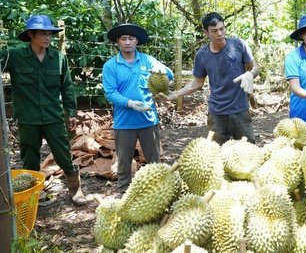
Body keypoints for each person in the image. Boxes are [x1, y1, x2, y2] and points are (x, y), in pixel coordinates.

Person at [1, 15, 87, 205]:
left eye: (50, 34)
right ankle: (34, 193)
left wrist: (71, 112)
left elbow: (67, 87)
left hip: (53, 116)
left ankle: (75, 189)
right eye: (42, 34)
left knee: (63, 153)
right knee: (30, 156)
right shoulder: (14, 56)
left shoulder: (58, 58)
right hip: (27, 118)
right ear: (31, 35)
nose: (48, 38)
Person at [161, 12, 258, 145]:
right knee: (216, 154)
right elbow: (197, 82)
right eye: (214, 31)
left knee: (248, 150)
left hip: (240, 110)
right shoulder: (202, 55)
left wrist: (250, 74)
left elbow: (255, 68)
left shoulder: (239, 45)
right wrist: (176, 94)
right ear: (206, 32)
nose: (220, 34)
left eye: (222, 29)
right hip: (217, 113)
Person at [102, 23, 174, 191]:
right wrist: (130, 103)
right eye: (123, 38)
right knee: (124, 161)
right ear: (118, 42)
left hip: (148, 119)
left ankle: (158, 189)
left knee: (154, 159)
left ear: (137, 41)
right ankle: (124, 190)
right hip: (124, 121)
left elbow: (169, 75)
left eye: (131, 38)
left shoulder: (148, 60)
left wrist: (161, 68)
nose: (127, 42)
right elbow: (110, 92)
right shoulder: (110, 66)